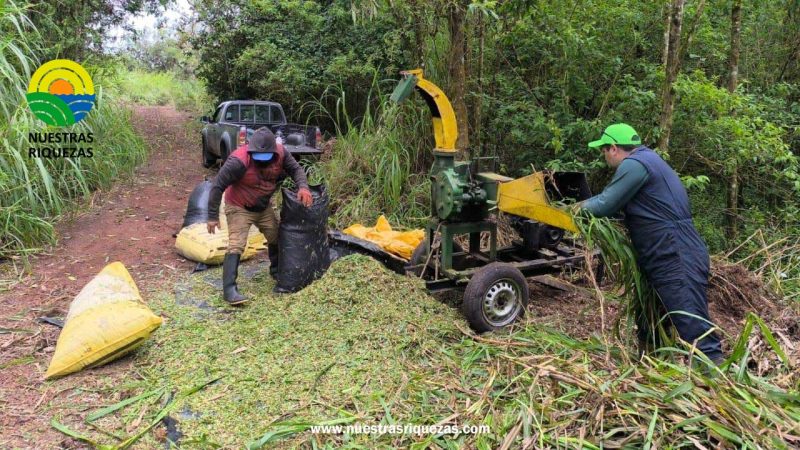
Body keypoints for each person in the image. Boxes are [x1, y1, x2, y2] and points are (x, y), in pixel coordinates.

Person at [580, 123, 723, 364]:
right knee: (649, 315)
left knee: (689, 317)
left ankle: (714, 379)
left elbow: (605, 204)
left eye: (603, 151)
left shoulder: (634, 165)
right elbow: (612, 202)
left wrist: (570, 210)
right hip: (661, 251)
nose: (603, 156)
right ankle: (651, 367)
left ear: (613, 148)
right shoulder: (649, 160)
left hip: (674, 252)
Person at [207, 127, 313, 305]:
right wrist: (212, 216)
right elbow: (217, 185)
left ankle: (277, 271)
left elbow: (296, 169)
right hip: (239, 206)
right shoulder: (238, 161)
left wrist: (303, 187)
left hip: (263, 207)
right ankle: (229, 289)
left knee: (276, 236)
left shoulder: (281, 152)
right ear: (250, 150)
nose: (262, 162)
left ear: (274, 152)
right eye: (258, 158)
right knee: (236, 244)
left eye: (266, 159)